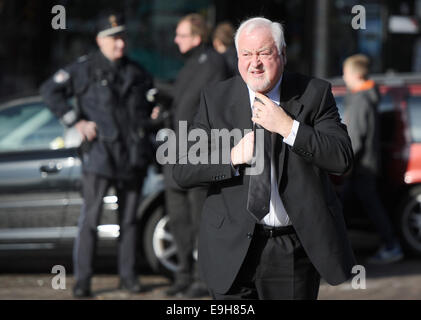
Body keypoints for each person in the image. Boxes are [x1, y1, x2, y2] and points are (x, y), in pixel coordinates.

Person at [172, 17, 356, 300]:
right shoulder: (216, 98)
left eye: (263, 53)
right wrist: (232, 156)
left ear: (281, 54)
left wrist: (288, 127)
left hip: (291, 249)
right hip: (229, 249)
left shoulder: (314, 94)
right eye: (246, 54)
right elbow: (183, 169)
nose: (254, 63)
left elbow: (341, 157)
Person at [40, 12, 154, 298]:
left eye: (123, 38)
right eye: (114, 39)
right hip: (100, 155)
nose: (120, 45)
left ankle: (128, 278)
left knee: (129, 222)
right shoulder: (84, 69)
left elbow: (149, 107)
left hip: (132, 156)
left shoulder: (138, 72)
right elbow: (50, 90)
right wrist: (74, 120)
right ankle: (83, 281)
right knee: (89, 220)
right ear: (100, 40)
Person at [163, 13, 228, 298]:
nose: (176, 39)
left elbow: (204, 108)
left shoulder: (212, 63)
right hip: (174, 150)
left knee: (200, 216)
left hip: (198, 151)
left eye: (181, 34)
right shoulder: (189, 64)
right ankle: (183, 275)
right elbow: (180, 103)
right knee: (178, 218)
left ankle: (204, 278)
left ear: (196, 37)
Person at [342, 54, 404, 264]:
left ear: (355, 74)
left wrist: (345, 162)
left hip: (361, 165)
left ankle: (391, 245)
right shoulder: (368, 95)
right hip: (366, 163)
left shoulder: (361, 99)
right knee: (351, 206)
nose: (344, 78)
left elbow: (355, 136)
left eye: (346, 73)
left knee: (364, 206)